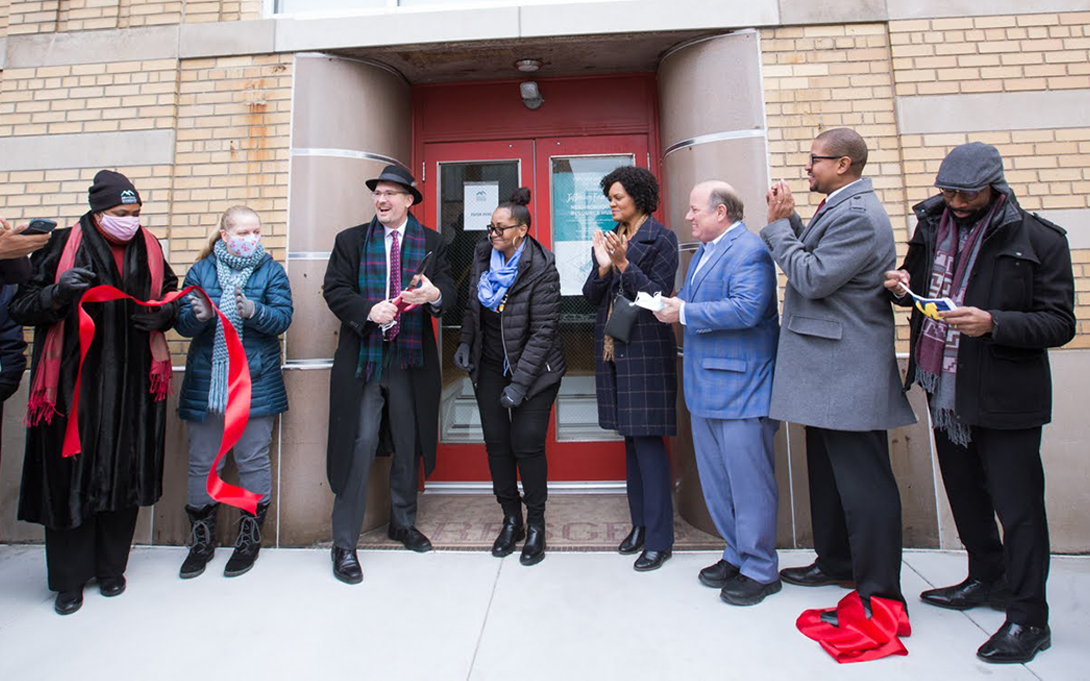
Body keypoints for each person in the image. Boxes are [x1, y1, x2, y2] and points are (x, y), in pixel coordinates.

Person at [883, 142, 1075, 663]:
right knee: (965, 496)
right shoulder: (931, 223)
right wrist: (901, 287)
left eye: (967, 194)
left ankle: (1029, 618)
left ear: (995, 186)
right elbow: (918, 284)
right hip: (944, 388)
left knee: (1019, 509)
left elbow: (1060, 323)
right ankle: (986, 578)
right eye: (948, 192)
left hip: (1005, 394)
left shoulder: (1038, 238)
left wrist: (995, 323)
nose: (957, 202)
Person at [760, 129, 916, 610]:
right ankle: (836, 562)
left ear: (844, 164)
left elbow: (812, 276)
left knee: (863, 483)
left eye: (815, 160)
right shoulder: (839, 207)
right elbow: (819, 257)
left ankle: (878, 590)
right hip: (825, 367)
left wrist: (781, 227)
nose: (808, 167)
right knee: (828, 475)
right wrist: (795, 223)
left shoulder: (859, 215)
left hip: (845, 369)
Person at [10, 170, 178, 615]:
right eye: (122, 213)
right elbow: (20, 307)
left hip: (133, 386)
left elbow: (170, 294)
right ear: (98, 211)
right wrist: (56, 294)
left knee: (124, 475)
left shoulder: (151, 247)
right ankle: (68, 581)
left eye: (137, 213)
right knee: (69, 481)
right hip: (71, 387)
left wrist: (165, 317)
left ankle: (111, 570)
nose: (131, 221)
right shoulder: (59, 244)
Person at [323, 164, 454, 584]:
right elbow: (335, 289)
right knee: (358, 445)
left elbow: (450, 291)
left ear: (409, 200)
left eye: (391, 194)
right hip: (364, 360)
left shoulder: (432, 242)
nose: (382, 200)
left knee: (407, 440)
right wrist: (368, 309)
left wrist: (433, 294)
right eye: (378, 193)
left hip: (410, 361)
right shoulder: (350, 241)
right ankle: (344, 543)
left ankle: (402, 522)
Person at [654, 181, 780, 605]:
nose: (688, 217)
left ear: (721, 212)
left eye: (695, 210)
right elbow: (690, 301)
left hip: (742, 388)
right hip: (707, 387)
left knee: (749, 484)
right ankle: (737, 553)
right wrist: (668, 305)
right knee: (719, 483)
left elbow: (748, 308)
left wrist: (684, 311)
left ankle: (761, 568)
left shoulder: (750, 251)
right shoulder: (705, 253)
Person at [175, 205, 293, 579]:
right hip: (208, 384)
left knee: (252, 460)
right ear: (225, 235)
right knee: (204, 463)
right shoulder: (201, 270)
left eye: (256, 231)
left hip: (254, 383)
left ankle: (248, 539)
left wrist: (254, 310)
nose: (251, 239)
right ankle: (202, 539)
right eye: (243, 233)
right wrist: (200, 317)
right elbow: (180, 323)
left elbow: (283, 318)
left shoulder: (271, 271)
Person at [453, 188, 565, 566]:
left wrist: (519, 385)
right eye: (490, 228)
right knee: (497, 443)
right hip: (489, 365)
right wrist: (466, 342)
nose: (494, 235)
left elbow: (543, 331)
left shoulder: (542, 267)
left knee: (527, 443)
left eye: (501, 228)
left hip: (535, 371)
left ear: (523, 230)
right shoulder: (483, 256)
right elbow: (473, 306)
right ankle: (511, 518)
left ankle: (536, 525)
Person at [582, 165, 678, 572]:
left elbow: (656, 296)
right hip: (614, 350)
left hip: (646, 350)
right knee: (631, 442)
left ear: (639, 197)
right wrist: (604, 265)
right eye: (610, 198)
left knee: (649, 442)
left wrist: (623, 265)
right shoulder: (613, 239)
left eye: (618, 197)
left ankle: (659, 538)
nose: (612, 204)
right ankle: (640, 525)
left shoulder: (663, 238)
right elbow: (590, 296)